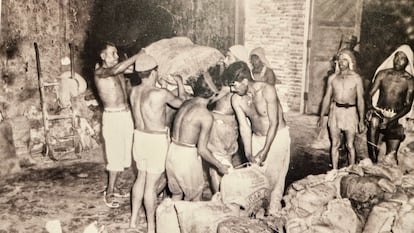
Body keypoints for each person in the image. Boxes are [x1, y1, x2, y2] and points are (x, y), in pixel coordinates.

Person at [224, 61, 290, 215]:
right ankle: (256, 218)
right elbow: (244, 128)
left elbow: (275, 122)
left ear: (245, 81)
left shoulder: (267, 90)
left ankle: (272, 215)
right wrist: (248, 154)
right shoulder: (237, 99)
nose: (232, 89)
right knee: (256, 180)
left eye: (234, 85)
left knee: (273, 183)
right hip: (256, 138)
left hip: (277, 137)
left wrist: (265, 150)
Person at [128, 53, 185, 233]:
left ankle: (133, 222)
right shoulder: (161, 94)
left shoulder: (133, 91)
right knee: (151, 186)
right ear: (153, 72)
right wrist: (180, 84)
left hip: (139, 136)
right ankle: (152, 227)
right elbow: (181, 103)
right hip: (155, 139)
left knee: (140, 179)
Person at [165, 74, 230, 201]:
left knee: (177, 193)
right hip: (187, 157)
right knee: (195, 197)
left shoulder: (186, 103)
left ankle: (170, 219)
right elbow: (202, 149)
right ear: (213, 94)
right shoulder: (205, 116)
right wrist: (219, 165)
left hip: (172, 152)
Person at [94, 42, 139, 208]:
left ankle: (115, 186)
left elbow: (135, 69)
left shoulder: (119, 70)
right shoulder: (100, 72)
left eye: (116, 53)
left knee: (124, 154)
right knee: (114, 157)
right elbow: (114, 70)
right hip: (112, 118)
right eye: (112, 53)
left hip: (125, 116)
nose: (116, 56)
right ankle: (109, 192)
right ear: (103, 56)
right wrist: (138, 55)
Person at [317, 49, 365, 169]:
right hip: (335, 111)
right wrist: (321, 116)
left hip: (350, 112)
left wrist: (361, 120)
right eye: (340, 59)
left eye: (345, 60)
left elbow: (360, 100)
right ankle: (334, 170)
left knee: (349, 145)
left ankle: (351, 170)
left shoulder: (356, 78)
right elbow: (327, 97)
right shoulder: (333, 78)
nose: (342, 62)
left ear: (350, 62)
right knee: (335, 144)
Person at [367, 45, 414, 163]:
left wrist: (391, 120)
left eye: (402, 58)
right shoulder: (383, 74)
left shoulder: (409, 80)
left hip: (397, 117)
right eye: (396, 57)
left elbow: (408, 106)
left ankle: (390, 171)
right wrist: (371, 108)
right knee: (374, 121)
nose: (398, 60)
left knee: (391, 157)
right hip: (379, 112)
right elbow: (369, 94)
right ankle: (373, 161)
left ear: (407, 61)